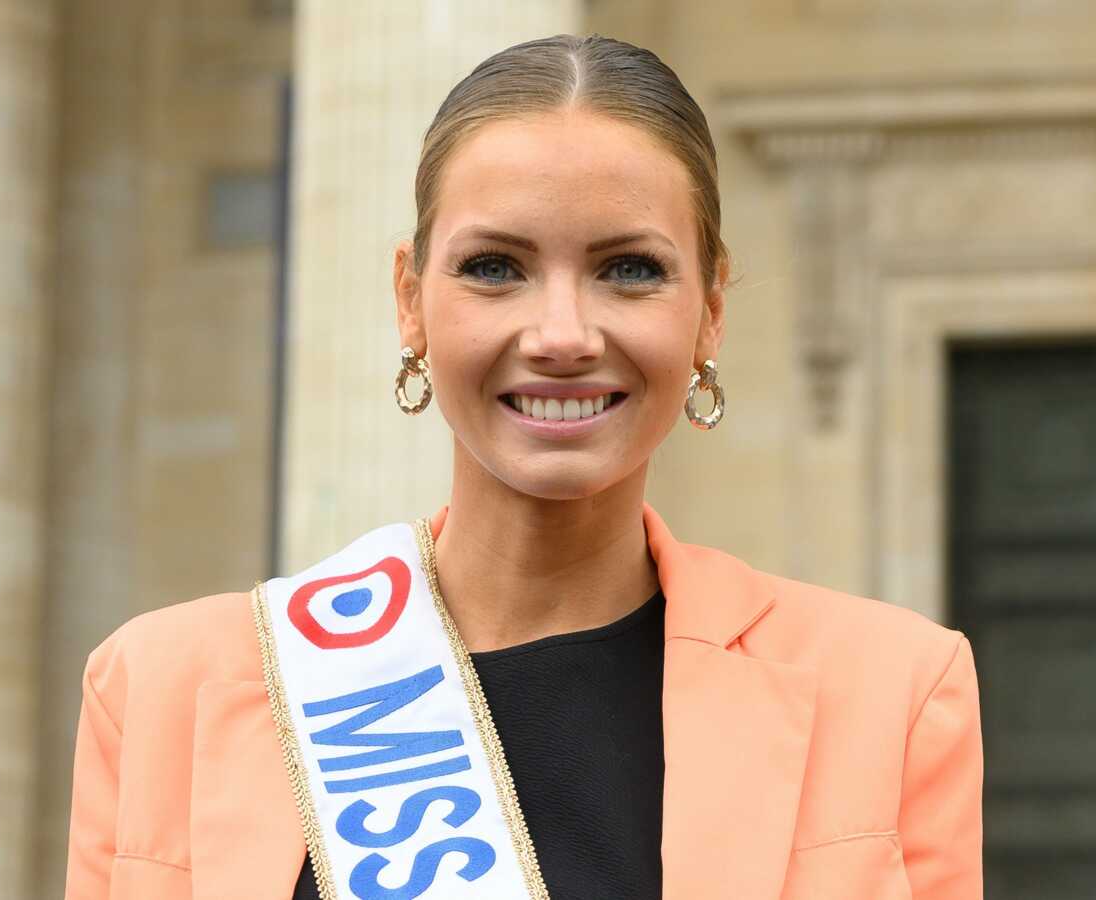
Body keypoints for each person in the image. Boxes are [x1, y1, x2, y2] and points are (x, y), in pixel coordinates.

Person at [64, 33, 983, 900]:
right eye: (496, 267)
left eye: (628, 270)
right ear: (410, 300)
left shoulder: (891, 692)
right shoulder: (157, 694)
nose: (560, 337)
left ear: (709, 311)